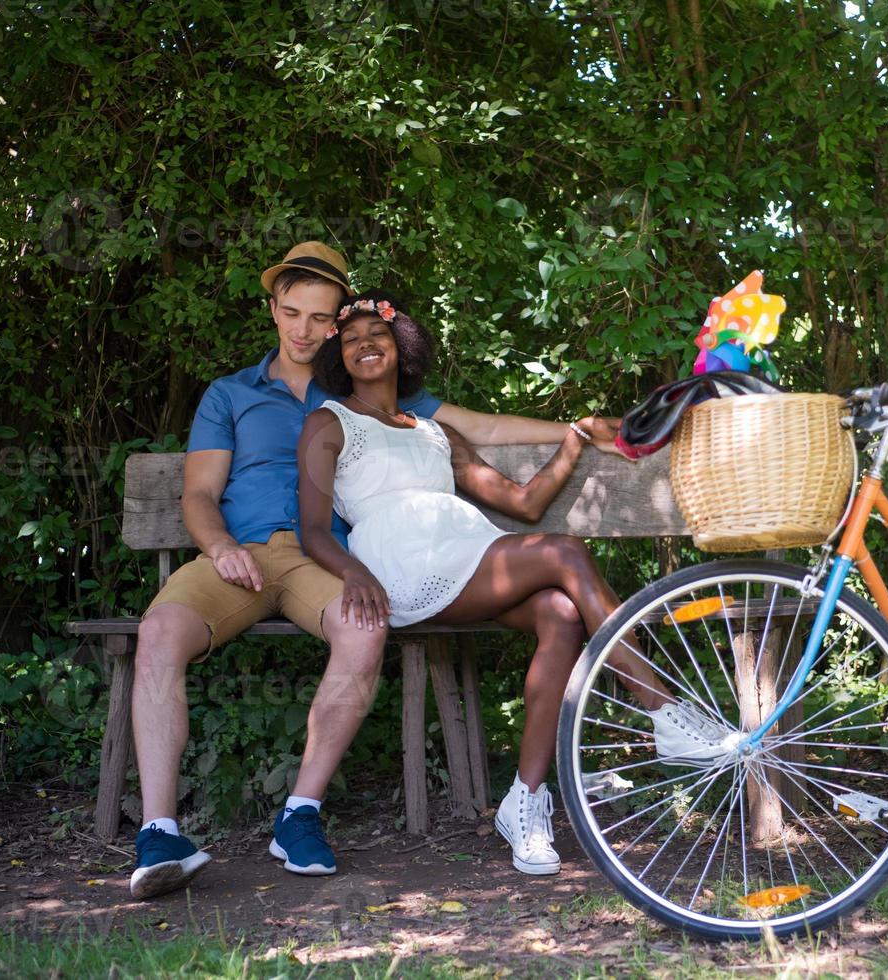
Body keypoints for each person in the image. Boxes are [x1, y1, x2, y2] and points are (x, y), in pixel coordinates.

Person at [128, 243, 622, 901]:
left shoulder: (363, 395)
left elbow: (483, 427)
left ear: (337, 325)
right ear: (273, 311)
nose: (303, 329)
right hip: (239, 556)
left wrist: (579, 429)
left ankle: (298, 814)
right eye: (291, 313)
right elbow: (196, 494)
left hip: (325, 563)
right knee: (158, 634)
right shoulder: (231, 395)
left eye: (320, 317)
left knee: (365, 630)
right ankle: (160, 833)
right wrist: (219, 547)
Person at [297, 289, 732, 875]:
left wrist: (572, 439)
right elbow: (314, 530)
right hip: (401, 563)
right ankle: (663, 710)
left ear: (400, 347)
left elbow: (524, 505)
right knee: (565, 552)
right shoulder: (329, 423)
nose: (364, 346)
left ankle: (524, 804)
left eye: (376, 335)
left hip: (468, 553)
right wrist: (355, 574)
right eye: (350, 341)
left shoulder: (433, 433)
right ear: (338, 358)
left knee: (559, 609)